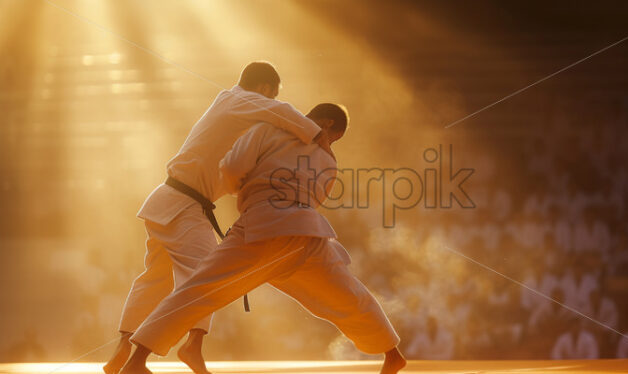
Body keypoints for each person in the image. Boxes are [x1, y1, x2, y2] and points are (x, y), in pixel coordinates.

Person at [119, 104, 407, 374]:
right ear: (328, 123)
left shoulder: (268, 129)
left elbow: (231, 167)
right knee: (348, 294)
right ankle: (392, 353)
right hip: (307, 235)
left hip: (263, 227)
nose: (330, 143)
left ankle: (138, 359)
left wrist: (242, 190)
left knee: (198, 288)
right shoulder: (328, 159)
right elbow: (316, 198)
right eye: (335, 137)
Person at [104, 62, 326, 374]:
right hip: (183, 206)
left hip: (167, 200)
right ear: (264, 89)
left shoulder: (230, 108)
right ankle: (191, 345)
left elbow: (233, 170)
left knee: (154, 279)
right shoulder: (242, 101)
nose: (271, 102)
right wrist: (318, 137)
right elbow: (285, 112)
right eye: (271, 95)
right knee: (204, 277)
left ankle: (121, 350)